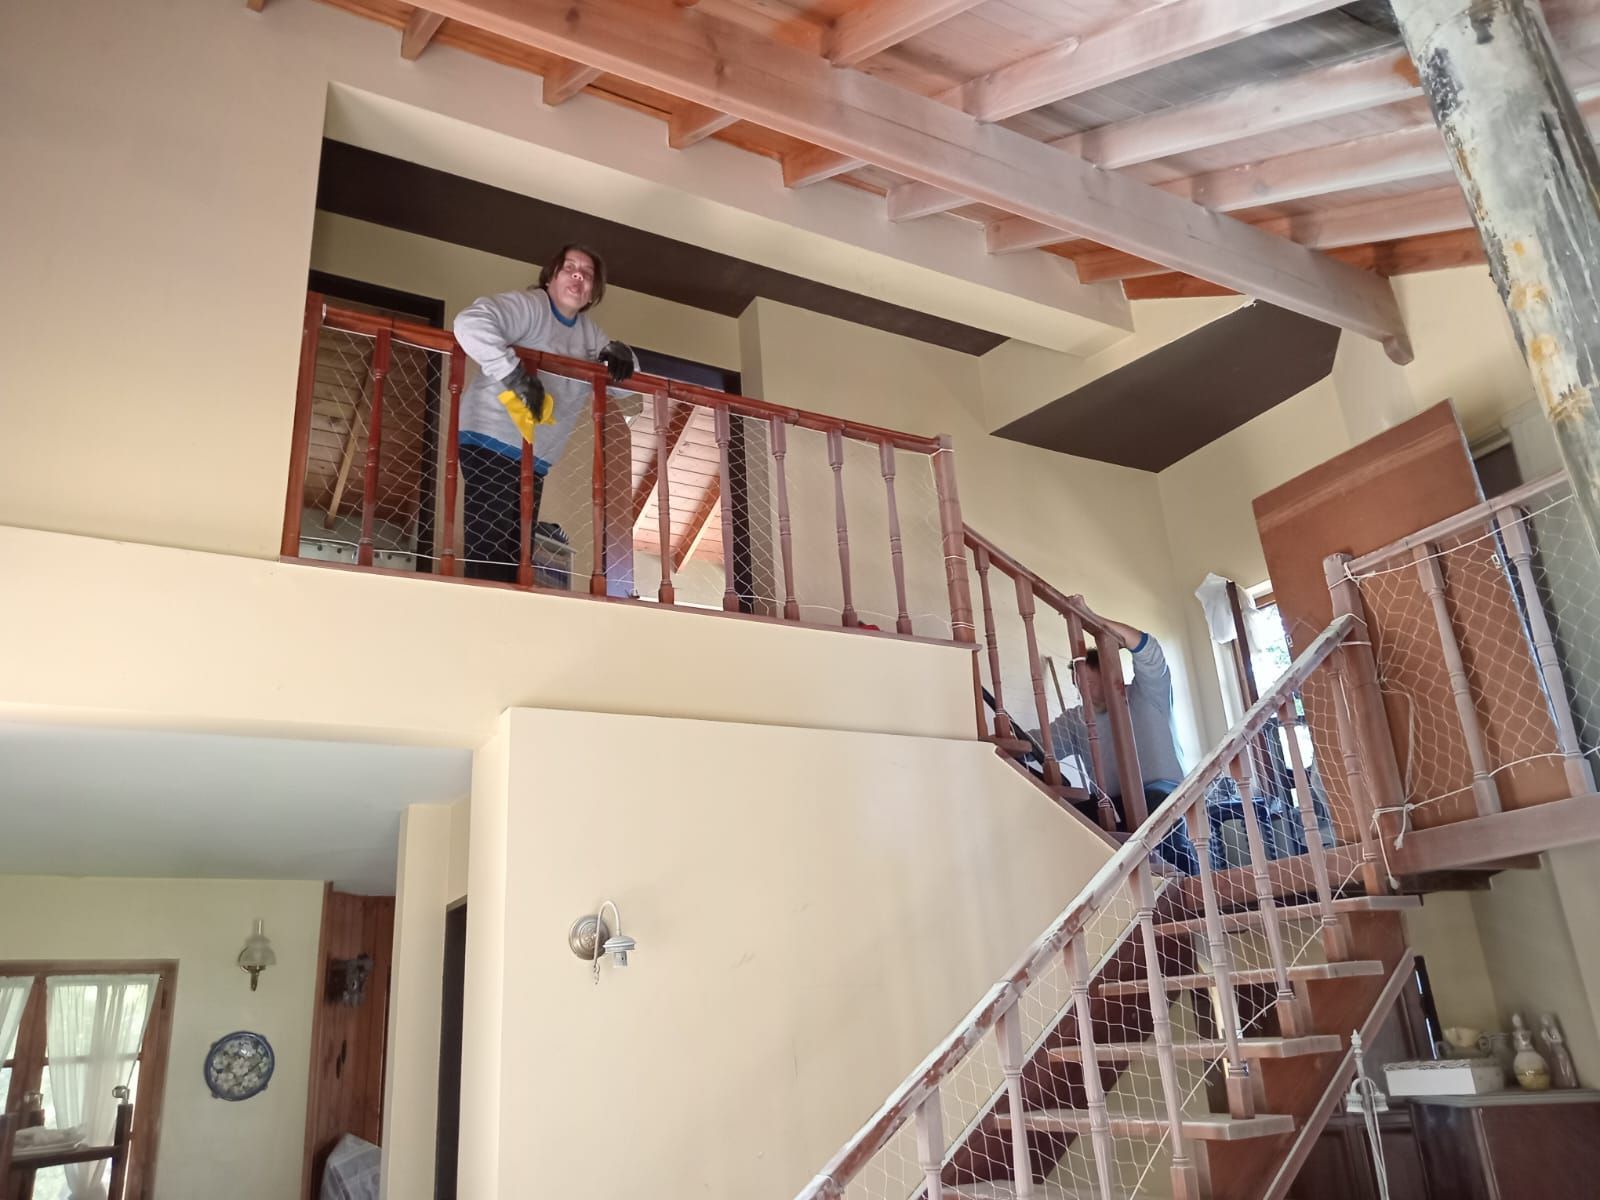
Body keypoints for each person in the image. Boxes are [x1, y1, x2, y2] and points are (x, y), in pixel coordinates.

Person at [452, 243, 637, 582]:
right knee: (489, 554)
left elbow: (626, 386)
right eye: (569, 268)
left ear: (592, 291)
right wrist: (515, 376)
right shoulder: (531, 306)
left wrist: (624, 354)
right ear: (551, 277)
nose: (578, 275)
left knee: (515, 557)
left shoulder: (590, 336)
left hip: (533, 460)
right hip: (490, 441)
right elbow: (468, 323)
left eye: (587, 273)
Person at [1047, 610, 1201, 874]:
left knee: (1155, 811)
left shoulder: (1147, 694)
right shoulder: (1076, 719)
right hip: (1113, 802)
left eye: (1089, 682)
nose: (1083, 691)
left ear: (1110, 675)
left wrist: (1093, 621)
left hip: (1163, 792)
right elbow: (1043, 743)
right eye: (1078, 685)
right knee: (1074, 818)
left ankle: (1190, 884)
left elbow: (1149, 651)